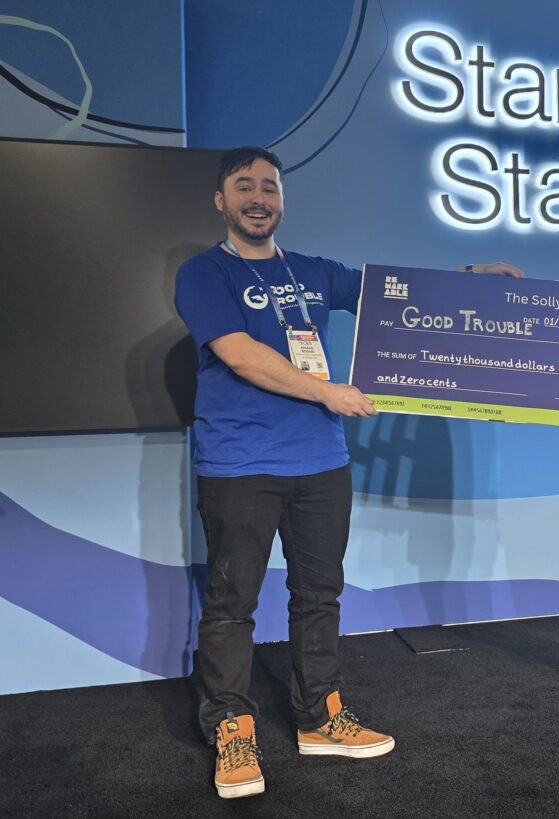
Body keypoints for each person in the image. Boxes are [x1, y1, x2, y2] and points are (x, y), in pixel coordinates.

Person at [174, 146, 521, 799]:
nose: (258, 198)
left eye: (269, 187)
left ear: (281, 200)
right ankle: (232, 727)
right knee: (231, 603)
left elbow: (392, 294)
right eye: (243, 187)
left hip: (321, 464)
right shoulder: (203, 274)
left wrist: (471, 277)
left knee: (319, 595)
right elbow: (239, 353)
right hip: (240, 465)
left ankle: (318, 716)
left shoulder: (311, 271)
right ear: (221, 201)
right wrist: (326, 392)